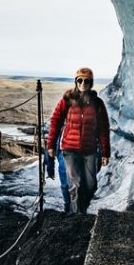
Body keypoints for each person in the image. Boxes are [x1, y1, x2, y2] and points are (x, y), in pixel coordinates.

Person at [46, 67, 110, 214]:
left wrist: (105, 152)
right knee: (75, 184)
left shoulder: (97, 103)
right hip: (69, 149)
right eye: (80, 80)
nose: (83, 83)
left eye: (87, 81)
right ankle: (77, 217)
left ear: (91, 83)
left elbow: (103, 129)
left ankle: (82, 209)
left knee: (90, 184)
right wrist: (51, 145)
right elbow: (55, 121)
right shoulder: (67, 100)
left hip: (90, 150)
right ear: (76, 82)